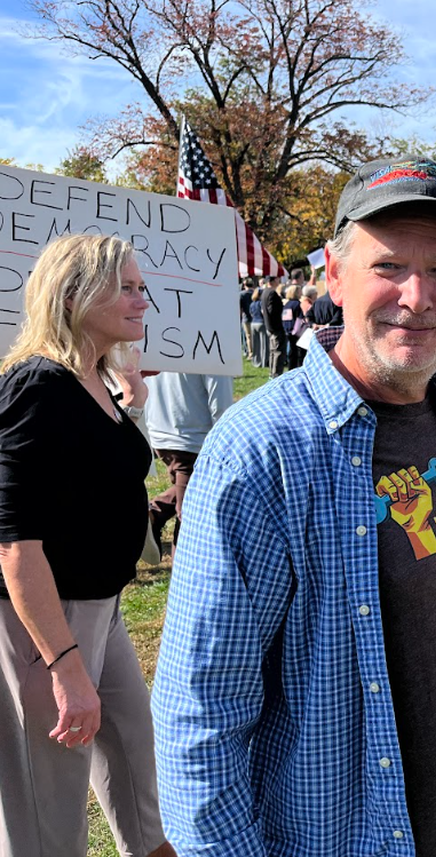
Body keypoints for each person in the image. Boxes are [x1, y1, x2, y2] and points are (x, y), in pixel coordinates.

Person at [151, 155, 436, 857]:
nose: (418, 295)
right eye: (389, 265)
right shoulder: (262, 453)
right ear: (335, 276)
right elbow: (198, 719)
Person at [0, 234, 175, 857]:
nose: (142, 298)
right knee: (47, 808)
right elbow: (14, 542)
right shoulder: (36, 387)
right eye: (125, 287)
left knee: (135, 756)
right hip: (44, 626)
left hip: (103, 607)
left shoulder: (94, 378)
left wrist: (128, 396)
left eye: (140, 286)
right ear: (74, 293)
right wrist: (64, 666)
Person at [145, 371, 234, 556]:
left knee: (188, 491)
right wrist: (226, 443)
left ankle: (156, 512)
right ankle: (182, 574)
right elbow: (222, 404)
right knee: (189, 516)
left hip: (162, 433)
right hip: (192, 439)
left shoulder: (157, 341)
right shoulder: (214, 347)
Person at [260, 274, 287, 377]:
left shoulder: (265, 292)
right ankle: (275, 374)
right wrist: (282, 306)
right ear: (273, 281)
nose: (278, 281)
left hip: (269, 326)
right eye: (277, 279)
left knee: (273, 351)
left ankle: (272, 372)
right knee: (277, 352)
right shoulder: (272, 293)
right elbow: (272, 311)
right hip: (275, 327)